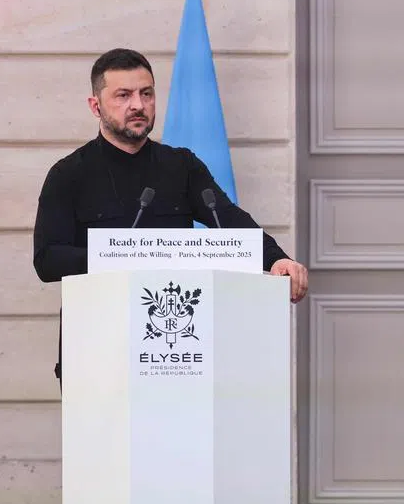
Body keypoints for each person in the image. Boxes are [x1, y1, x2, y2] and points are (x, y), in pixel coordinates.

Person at [33, 48, 309, 381]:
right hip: (97, 355)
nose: (138, 105)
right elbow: (48, 260)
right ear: (96, 106)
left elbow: (228, 220)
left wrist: (276, 259)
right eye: (123, 95)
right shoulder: (68, 174)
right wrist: (120, 256)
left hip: (178, 357)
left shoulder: (181, 166)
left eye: (146, 93)